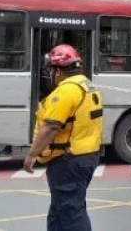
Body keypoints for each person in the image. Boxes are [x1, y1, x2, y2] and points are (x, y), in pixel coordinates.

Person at [23, 44, 103, 231]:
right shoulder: (86, 85)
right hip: (85, 155)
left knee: (71, 211)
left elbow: (51, 126)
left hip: (68, 160)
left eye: (52, 70)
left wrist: (31, 155)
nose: (51, 75)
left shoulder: (66, 91)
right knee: (59, 211)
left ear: (58, 71)